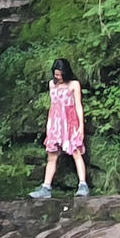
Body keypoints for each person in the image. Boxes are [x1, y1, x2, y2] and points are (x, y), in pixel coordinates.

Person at [30, 58, 88, 198]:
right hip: (56, 123)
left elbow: (78, 105)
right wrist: (49, 125)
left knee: (76, 152)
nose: (58, 77)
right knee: (52, 155)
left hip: (70, 122)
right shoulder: (52, 84)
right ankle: (46, 188)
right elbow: (53, 105)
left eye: (60, 75)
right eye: (56, 74)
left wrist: (81, 126)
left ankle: (83, 185)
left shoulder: (74, 84)